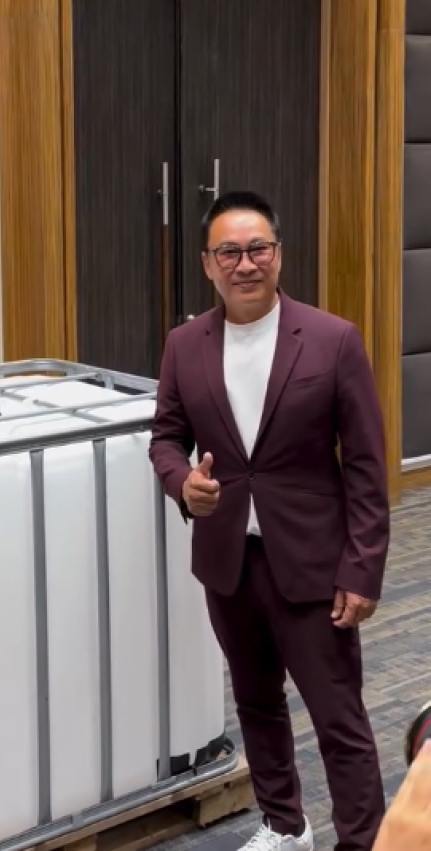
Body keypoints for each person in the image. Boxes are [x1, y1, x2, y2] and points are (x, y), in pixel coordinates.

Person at [149, 190, 390, 851]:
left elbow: (366, 465)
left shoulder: (333, 339)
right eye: (229, 252)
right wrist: (182, 483)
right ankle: (285, 824)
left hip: (315, 562)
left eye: (258, 249)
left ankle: (362, 841)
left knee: (338, 716)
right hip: (229, 560)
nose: (245, 263)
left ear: (279, 255)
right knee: (256, 703)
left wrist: (362, 567)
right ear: (208, 264)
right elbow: (165, 437)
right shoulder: (184, 345)